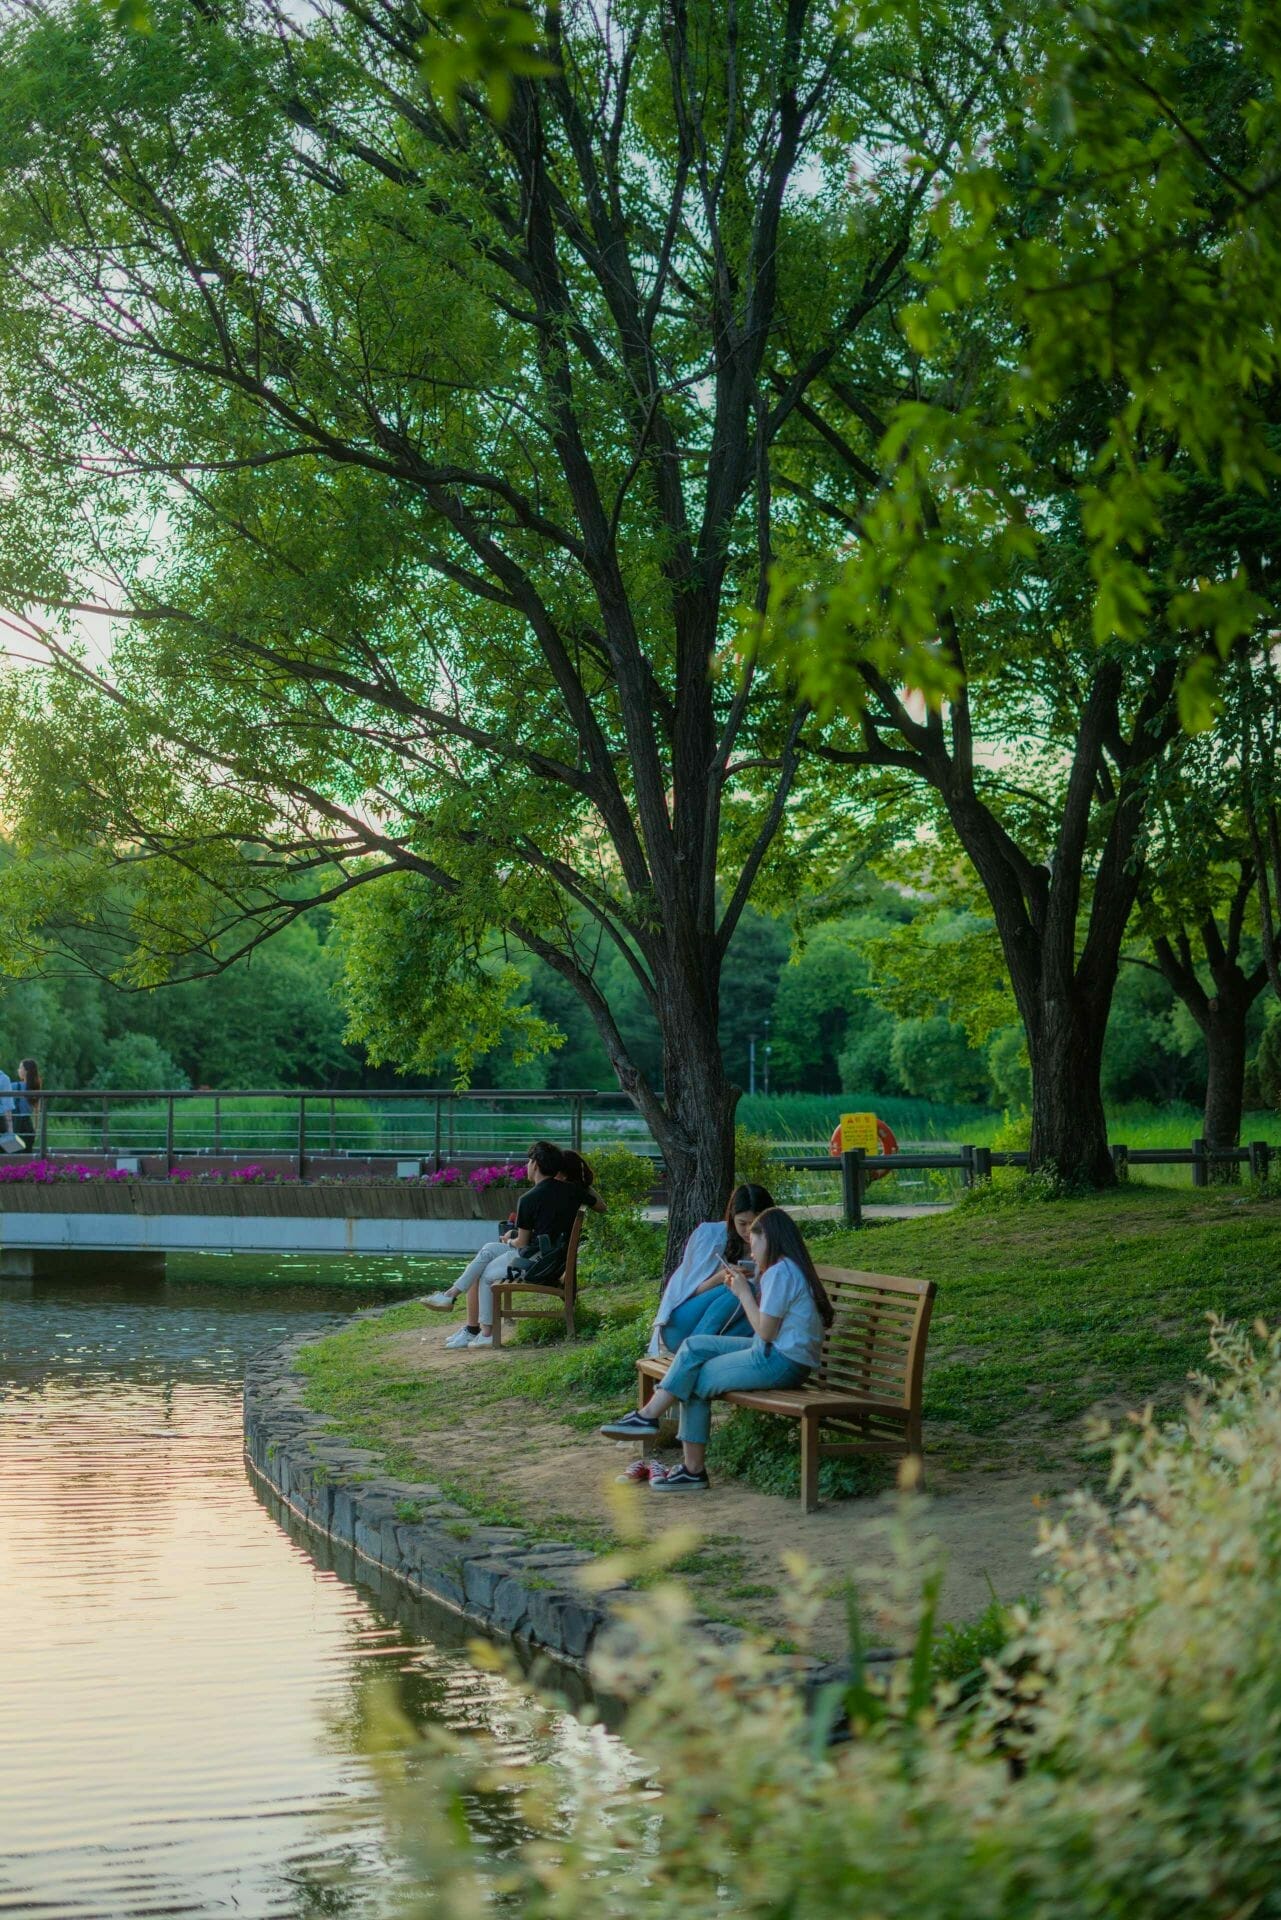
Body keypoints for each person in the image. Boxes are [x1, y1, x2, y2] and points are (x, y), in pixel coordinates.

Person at [599, 1207, 832, 1491]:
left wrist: (744, 1293)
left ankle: (688, 1465)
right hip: (776, 1354)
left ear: (770, 1240)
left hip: (780, 1361)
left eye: (754, 1244)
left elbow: (766, 1331)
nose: (752, 1251)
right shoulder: (787, 1268)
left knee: (695, 1377)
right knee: (694, 1347)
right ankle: (650, 1420)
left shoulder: (780, 1273)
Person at [422, 1141, 605, 1349]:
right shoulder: (573, 1191)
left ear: (536, 1164)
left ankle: (486, 1333)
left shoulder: (529, 1199)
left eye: (529, 1161)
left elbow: (521, 1243)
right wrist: (584, 1185)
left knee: (485, 1274)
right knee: (488, 1250)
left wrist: (509, 1240)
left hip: (537, 1264)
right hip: (552, 1259)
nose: (527, 1165)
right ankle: (451, 1297)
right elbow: (601, 1206)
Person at [646, 1183, 776, 1359]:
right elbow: (685, 1293)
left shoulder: (775, 1249)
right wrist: (720, 1278)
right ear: (732, 1218)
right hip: (681, 1326)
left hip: (723, 1330)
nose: (748, 1231)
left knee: (758, 1313)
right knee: (739, 1289)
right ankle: (692, 1355)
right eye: (742, 1223)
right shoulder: (711, 1237)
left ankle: (706, 1357)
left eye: (755, 1224)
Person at [14, 1059, 40, 1152]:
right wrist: (35, 1129)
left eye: (20, 1068)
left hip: (16, 1124)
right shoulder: (35, 1088)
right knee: (27, 1153)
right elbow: (37, 1112)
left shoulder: (15, 1086)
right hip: (29, 1126)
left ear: (26, 1071)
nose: (18, 1070)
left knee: (13, 1153)